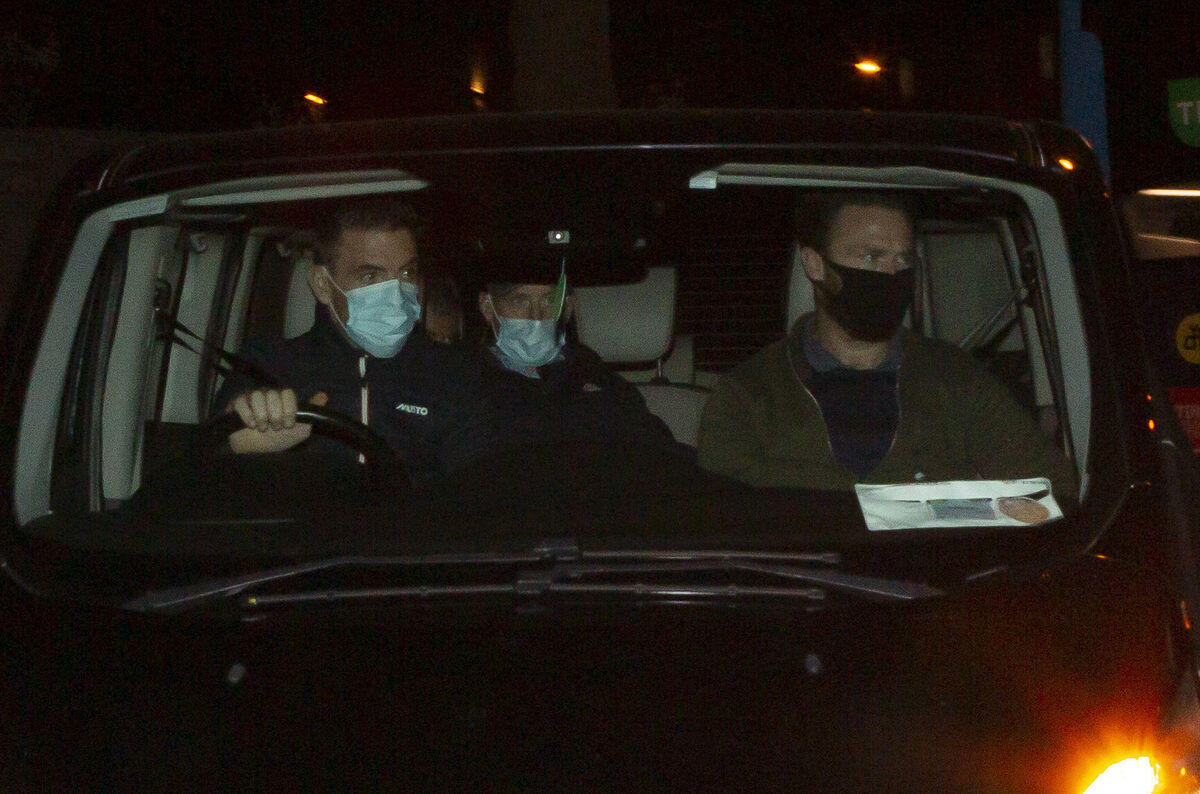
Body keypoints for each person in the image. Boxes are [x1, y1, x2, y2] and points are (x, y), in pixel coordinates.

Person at [696, 191, 1077, 502]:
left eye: (902, 260)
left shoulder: (956, 379)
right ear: (814, 264)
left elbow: (1051, 490)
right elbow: (724, 514)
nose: (891, 276)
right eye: (870, 257)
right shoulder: (748, 394)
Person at [214, 197, 496, 480]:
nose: (395, 294)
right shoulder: (266, 365)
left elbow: (476, 491)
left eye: (407, 273)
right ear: (323, 284)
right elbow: (204, 468)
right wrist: (240, 441)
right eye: (370, 275)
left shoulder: (455, 373)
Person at [475, 257, 677, 447]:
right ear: (487, 307)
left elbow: (656, 448)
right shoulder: (467, 381)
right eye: (520, 301)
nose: (535, 317)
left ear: (567, 308)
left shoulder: (596, 376)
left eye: (548, 301)